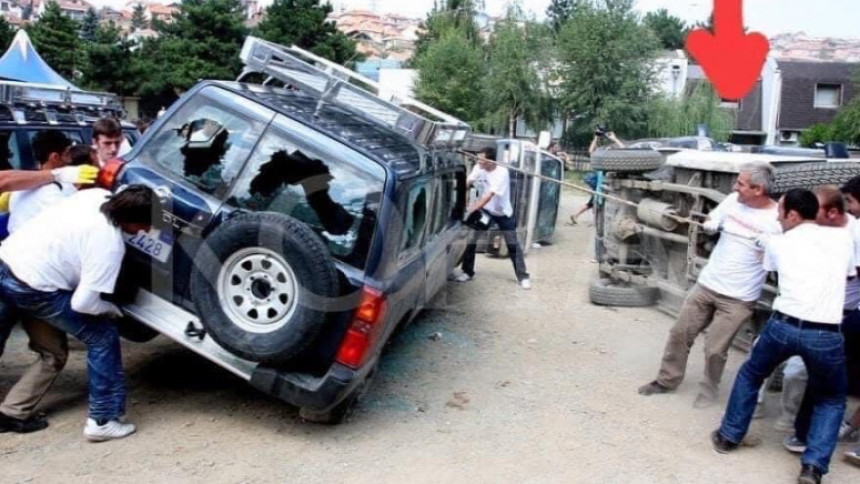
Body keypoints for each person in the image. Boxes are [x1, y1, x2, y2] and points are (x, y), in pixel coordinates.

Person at [711, 189, 854, 484]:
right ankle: (813, 467)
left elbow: (772, 262)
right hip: (825, 332)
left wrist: (768, 238)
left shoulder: (778, 242)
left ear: (792, 214)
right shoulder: (844, 237)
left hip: (783, 325)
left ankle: (728, 436)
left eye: (781, 212)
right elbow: (849, 273)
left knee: (751, 374)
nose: (777, 217)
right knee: (830, 399)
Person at [0, 185, 159, 441]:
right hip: (34, 287)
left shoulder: (94, 196)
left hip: (7, 262)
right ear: (128, 218)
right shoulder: (108, 246)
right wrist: (110, 310)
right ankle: (103, 420)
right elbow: (83, 303)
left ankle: (11, 413)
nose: (145, 231)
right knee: (102, 337)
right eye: (143, 225)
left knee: (52, 352)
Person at [638, 163, 782, 408]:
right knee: (680, 333)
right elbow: (715, 216)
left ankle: (708, 390)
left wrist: (771, 244)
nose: (735, 187)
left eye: (741, 183)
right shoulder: (733, 201)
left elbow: (781, 259)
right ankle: (666, 379)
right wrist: (711, 223)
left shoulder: (776, 219)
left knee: (715, 349)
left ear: (758, 189)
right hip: (707, 284)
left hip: (739, 297)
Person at [775, 186, 860, 444]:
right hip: (806, 310)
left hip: (839, 317)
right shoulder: (812, 229)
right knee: (801, 373)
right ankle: (796, 424)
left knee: (821, 379)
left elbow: (852, 272)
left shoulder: (853, 233)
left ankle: (811, 435)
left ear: (833, 212)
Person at [454, 147, 531, 290]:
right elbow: (468, 182)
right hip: (486, 211)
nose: (478, 161)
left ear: (490, 160)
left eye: (481, 159)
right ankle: (468, 272)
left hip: (502, 213)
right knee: (471, 239)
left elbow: (489, 195)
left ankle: (523, 277)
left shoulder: (502, 173)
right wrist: (460, 194)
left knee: (512, 244)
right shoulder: (479, 167)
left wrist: (471, 209)